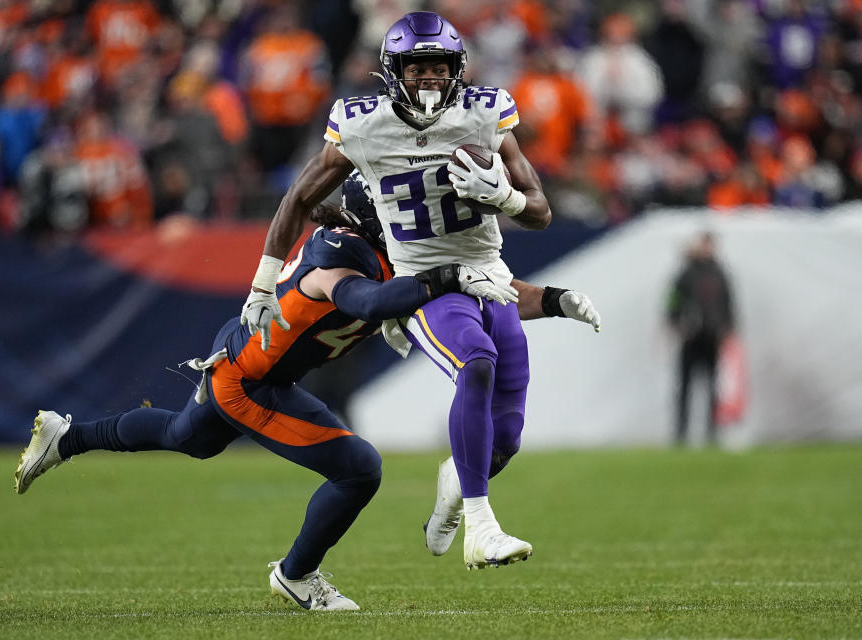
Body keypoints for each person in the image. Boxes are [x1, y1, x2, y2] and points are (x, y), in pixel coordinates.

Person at [14, 174, 596, 611]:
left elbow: (484, 286)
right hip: (251, 380)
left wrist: (551, 299)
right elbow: (366, 302)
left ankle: (69, 437)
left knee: (185, 437)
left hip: (249, 363)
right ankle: (296, 575)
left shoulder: (390, 252)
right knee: (359, 469)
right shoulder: (337, 251)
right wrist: (443, 278)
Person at [239, 11, 599, 571]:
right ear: (393, 72)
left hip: (488, 270)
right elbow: (299, 198)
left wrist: (502, 198)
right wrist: (263, 283)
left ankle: (458, 480)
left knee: (504, 437)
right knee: (474, 363)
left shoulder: (485, 114)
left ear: (458, 69)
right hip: (424, 280)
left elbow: (541, 211)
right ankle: (481, 528)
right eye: (417, 67)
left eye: (440, 67)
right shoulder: (361, 124)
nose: (430, 78)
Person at [665, 231, 736, 445]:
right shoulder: (686, 272)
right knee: (685, 387)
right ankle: (681, 434)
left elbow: (728, 303)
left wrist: (728, 329)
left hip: (712, 336)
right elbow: (672, 301)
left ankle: (711, 433)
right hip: (690, 337)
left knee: (713, 387)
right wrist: (676, 323)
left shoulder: (719, 273)